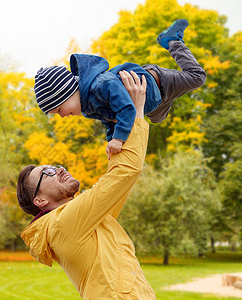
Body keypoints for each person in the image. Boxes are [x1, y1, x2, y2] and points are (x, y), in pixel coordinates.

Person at [17, 71, 156, 299]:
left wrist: (119, 128)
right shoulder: (64, 223)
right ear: (40, 201)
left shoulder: (87, 220)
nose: (59, 169)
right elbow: (125, 173)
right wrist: (137, 112)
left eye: (56, 165)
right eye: (48, 172)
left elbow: (120, 177)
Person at [34, 19, 206, 159]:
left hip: (159, 83)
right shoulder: (87, 108)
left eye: (59, 109)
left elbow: (125, 108)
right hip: (155, 103)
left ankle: (172, 41)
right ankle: (174, 94)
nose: (62, 116)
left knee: (198, 77)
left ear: (68, 92)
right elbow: (109, 121)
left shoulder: (101, 84)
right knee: (157, 119)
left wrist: (119, 138)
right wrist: (112, 143)